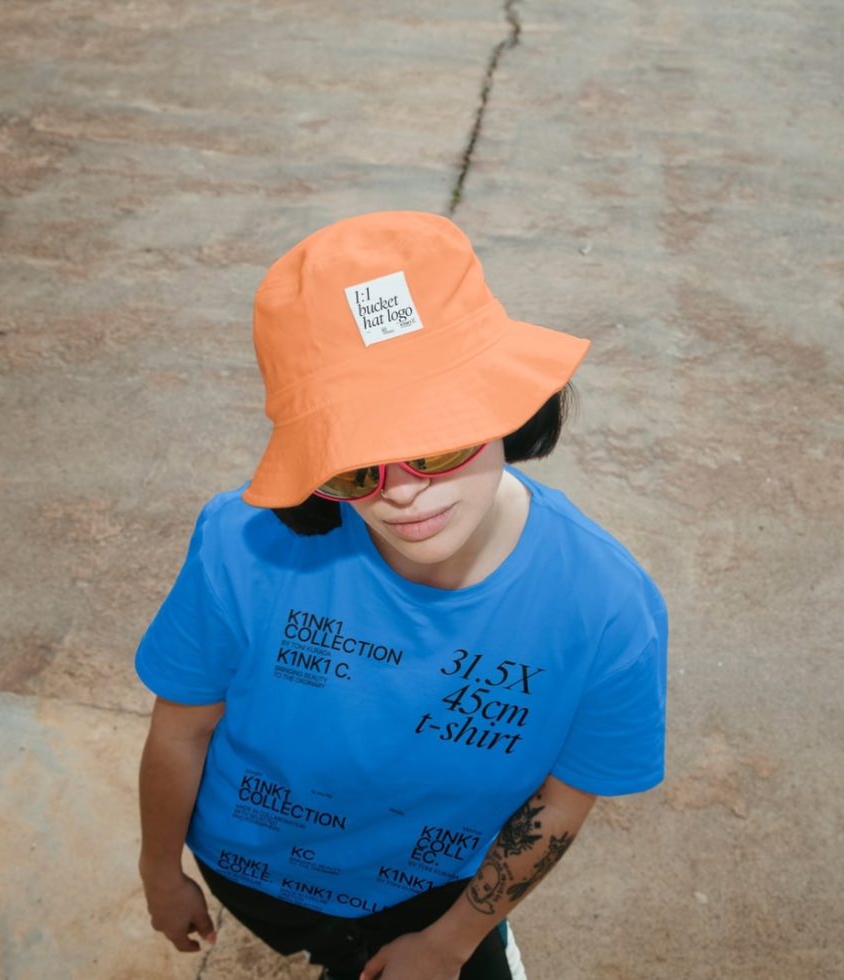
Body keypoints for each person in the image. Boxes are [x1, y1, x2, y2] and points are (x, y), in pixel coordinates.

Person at [135, 211, 667, 980]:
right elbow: (180, 732)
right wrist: (160, 871)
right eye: (353, 467)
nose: (404, 497)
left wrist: (450, 943)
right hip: (247, 869)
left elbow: (561, 802)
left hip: (431, 897)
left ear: (505, 405)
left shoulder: (607, 610)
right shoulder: (236, 548)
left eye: (436, 442)